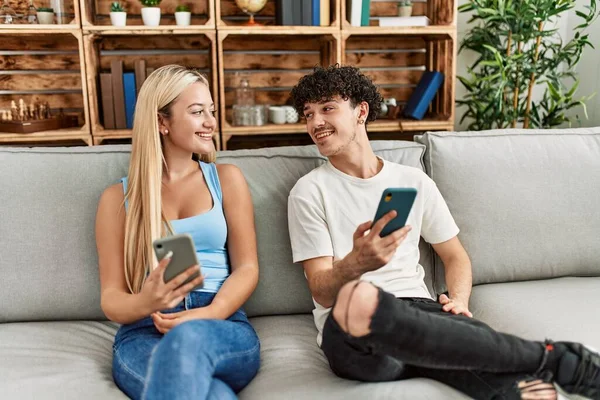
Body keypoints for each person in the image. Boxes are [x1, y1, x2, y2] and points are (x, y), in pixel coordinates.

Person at [287, 65, 600, 400]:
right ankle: (551, 358)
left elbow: (455, 255)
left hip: (420, 312)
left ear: (360, 111)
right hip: (353, 330)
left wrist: (459, 301)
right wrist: (356, 264)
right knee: (361, 298)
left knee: (522, 389)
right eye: (308, 114)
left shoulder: (413, 181)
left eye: (327, 108)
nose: (315, 122)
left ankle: (527, 382)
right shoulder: (308, 192)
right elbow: (321, 290)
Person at [95, 65, 260, 400]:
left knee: (187, 347)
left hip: (220, 319)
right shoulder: (118, 199)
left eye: (210, 111)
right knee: (209, 393)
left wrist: (208, 313)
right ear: (161, 122)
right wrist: (147, 300)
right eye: (197, 112)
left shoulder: (227, 179)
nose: (211, 122)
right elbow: (111, 299)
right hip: (146, 328)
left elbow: (248, 268)